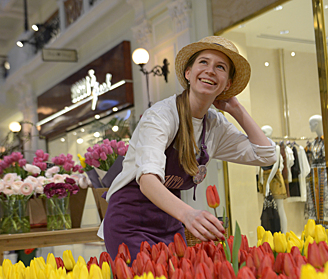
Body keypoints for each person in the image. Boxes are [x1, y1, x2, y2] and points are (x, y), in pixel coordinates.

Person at [98, 36, 277, 261]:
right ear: (188, 73)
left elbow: (267, 155)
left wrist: (237, 109)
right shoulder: (161, 115)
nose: (210, 70)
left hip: (168, 220)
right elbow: (147, 180)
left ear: (228, 84)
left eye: (220, 67)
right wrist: (189, 214)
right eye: (203, 62)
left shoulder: (215, 124)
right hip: (131, 221)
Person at [259, 125, 287, 233]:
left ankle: (284, 233)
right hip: (266, 176)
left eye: (264, 132)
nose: (262, 135)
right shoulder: (262, 147)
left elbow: (276, 166)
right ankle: (271, 230)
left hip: (274, 178)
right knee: (268, 205)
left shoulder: (276, 147)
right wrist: (262, 179)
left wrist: (267, 183)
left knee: (279, 207)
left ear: (270, 134)